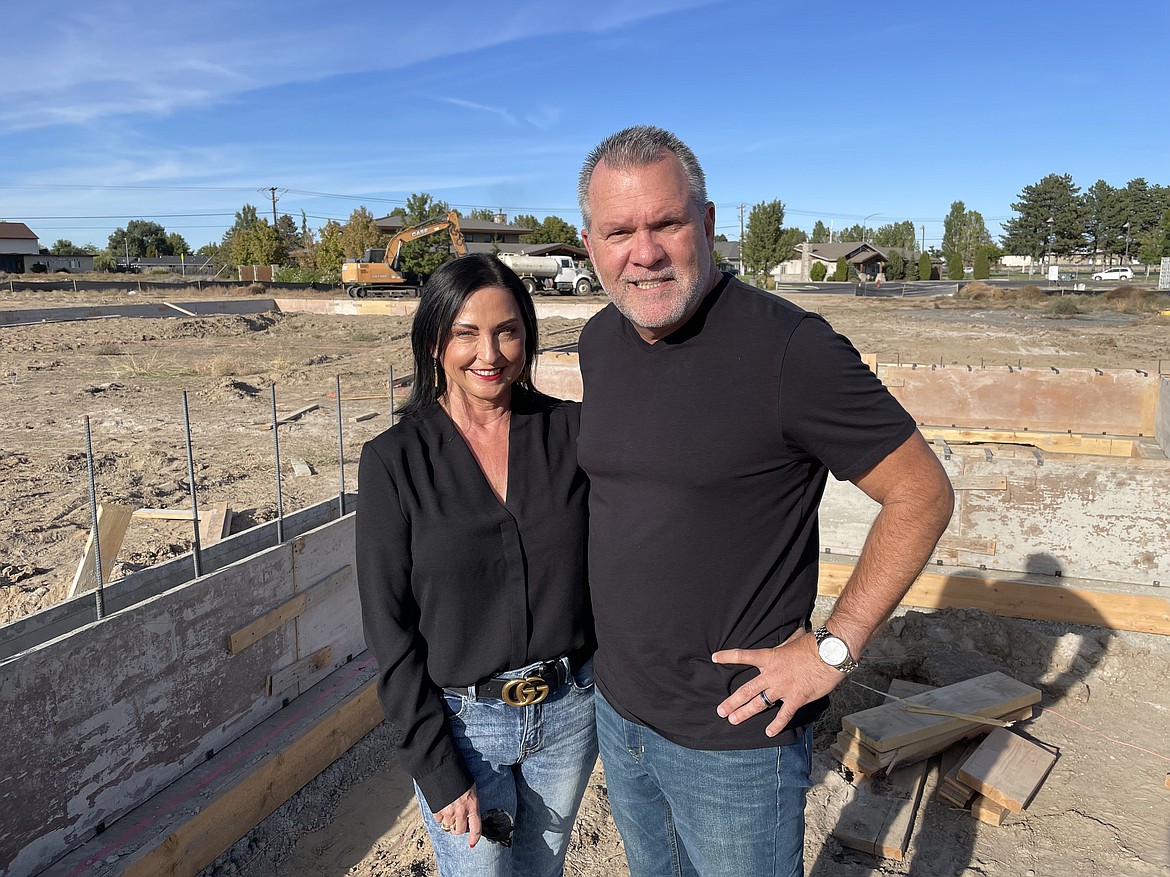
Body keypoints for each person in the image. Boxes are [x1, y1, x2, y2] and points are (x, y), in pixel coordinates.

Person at [574, 125, 954, 877]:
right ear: (590, 244)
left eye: (667, 223)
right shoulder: (599, 342)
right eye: (619, 231)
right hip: (619, 716)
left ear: (707, 224)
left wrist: (834, 649)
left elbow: (921, 492)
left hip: (733, 743)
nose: (643, 252)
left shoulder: (791, 351)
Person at [355, 253, 596, 876]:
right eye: (466, 333)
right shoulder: (395, 461)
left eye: (507, 330)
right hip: (463, 729)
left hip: (569, 713)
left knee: (542, 870)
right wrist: (435, 766)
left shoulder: (571, 434)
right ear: (435, 341)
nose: (488, 353)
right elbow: (389, 626)